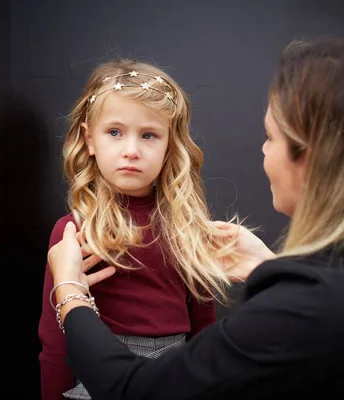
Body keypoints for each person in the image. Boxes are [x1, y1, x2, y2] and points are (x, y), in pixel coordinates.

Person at [46, 37, 344, 398]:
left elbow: (138, 390)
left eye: (269, 137)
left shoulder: (304, 310)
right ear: (89, 139)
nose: (261, 151)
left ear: (312, 161)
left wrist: (68, 291)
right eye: (115, 132)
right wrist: (271, 269)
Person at [38, 59, 252, 399]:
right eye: (114, 132)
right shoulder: (74, 231)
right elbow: (55, 336)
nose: (131, 151)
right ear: (89, 139)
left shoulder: (186, 226)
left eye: (149, 135)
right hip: (98, 377)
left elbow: (203, 326)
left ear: (170, 146)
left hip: (176, 372)